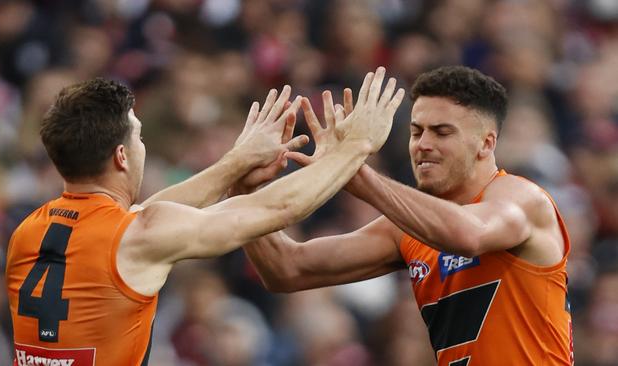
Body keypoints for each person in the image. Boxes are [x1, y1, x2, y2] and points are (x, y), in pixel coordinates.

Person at [6, 67, 406, 366]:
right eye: (139, 136)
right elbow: (276, 208)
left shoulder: (28, 232)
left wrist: (237, 162)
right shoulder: (136, 234)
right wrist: (356, 146)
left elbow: (143, 216)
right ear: (122, 156)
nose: (143, 146)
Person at [239, 66, 574, 365]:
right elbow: (286, 269)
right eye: (417, 132)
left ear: (486, 144)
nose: (422, 144)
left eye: (442, 132)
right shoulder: (408, 228)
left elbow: (468, 236)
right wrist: (243, 189)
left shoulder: (523, 198)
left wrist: (354, 173)